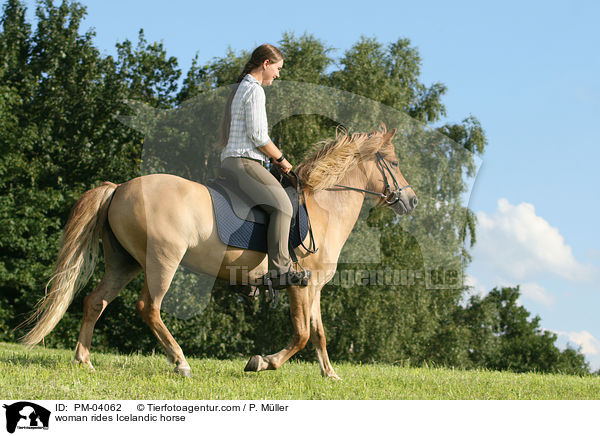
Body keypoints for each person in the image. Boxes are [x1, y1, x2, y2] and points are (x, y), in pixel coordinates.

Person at [219, 43, 310, 289]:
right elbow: (259, 136)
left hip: (234, 161)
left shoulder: (243, 88)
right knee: (282, 206)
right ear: (266, 64)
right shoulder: (255, 90)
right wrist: (281, 160)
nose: (278, 75)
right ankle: (280, 269)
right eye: (277, 69)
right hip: (244, 162)